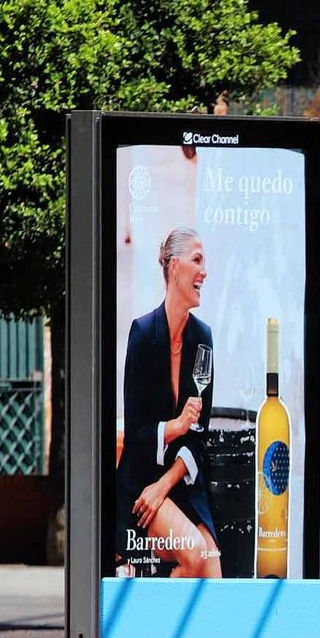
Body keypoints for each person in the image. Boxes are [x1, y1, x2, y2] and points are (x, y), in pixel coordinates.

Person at [115, 227, 222, 578]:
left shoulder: (202, 337)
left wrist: (166, 485)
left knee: (213, 568)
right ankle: (157, 610)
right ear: (174, 267)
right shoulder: (144, 333)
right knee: (195, 555)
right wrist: (173, 427)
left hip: (181, 482)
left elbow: (199, 435)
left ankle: (166, 608)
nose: (204, 271)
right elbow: (135, 434)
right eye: (197, 260)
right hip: (142, 479)